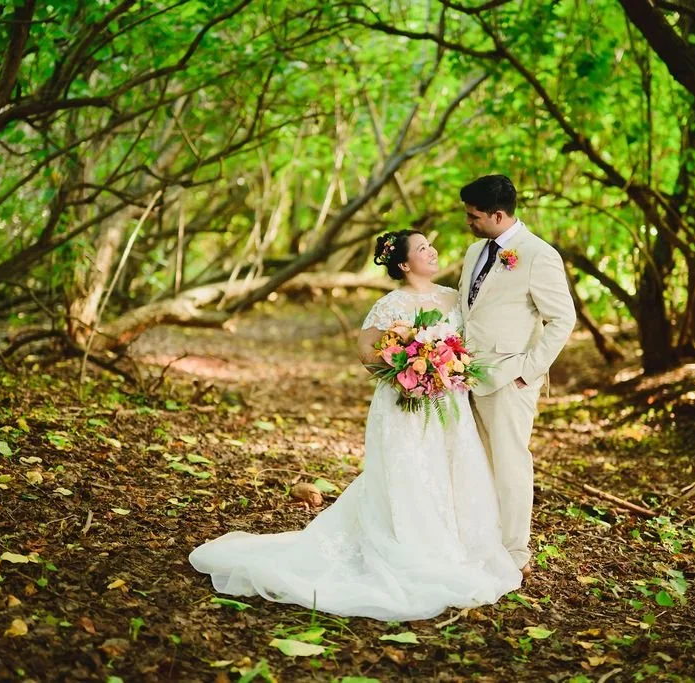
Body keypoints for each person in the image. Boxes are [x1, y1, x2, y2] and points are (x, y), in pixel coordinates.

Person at [188, 230, 521, 621]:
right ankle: (411, 545)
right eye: (422, 249)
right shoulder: (389, 304)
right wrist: (408, 367)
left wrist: (446, 367)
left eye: (431, 245)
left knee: (452, 470)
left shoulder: (454, 297)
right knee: (409, 473)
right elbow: (367, 353)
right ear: (402, 264)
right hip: (405, 404)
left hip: (449, 402)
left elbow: (470, 343)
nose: (432, 252)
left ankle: (460, 545)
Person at [458, 174, 577, 578]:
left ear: (498, 214)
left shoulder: (538, 254)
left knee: (511, 465)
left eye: (474, 216)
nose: (468, 222)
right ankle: (484, 540)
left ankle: (515, 551)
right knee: (477, 463)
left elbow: (563, 319)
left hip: (511, 378)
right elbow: (468, 308)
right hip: (467, 377)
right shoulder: (476, 250)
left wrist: (529, 371)